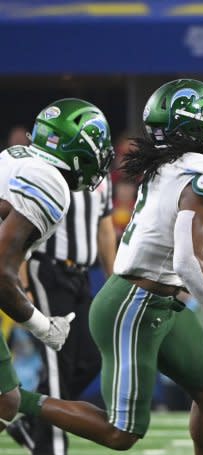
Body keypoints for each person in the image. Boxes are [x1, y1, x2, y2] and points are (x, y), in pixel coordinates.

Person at [15, 79, 203, 455]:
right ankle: (13, 401)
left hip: (155, 301)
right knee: (121, 433)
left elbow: (175, 259)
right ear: (190, 126)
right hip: (134, 305)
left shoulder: (170, 167)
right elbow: (189, 263)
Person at [0, 99, 113, 434]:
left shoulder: (15, 156)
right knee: (5, 402)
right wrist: (42, 326)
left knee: (6, 401)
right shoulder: (50, 184)